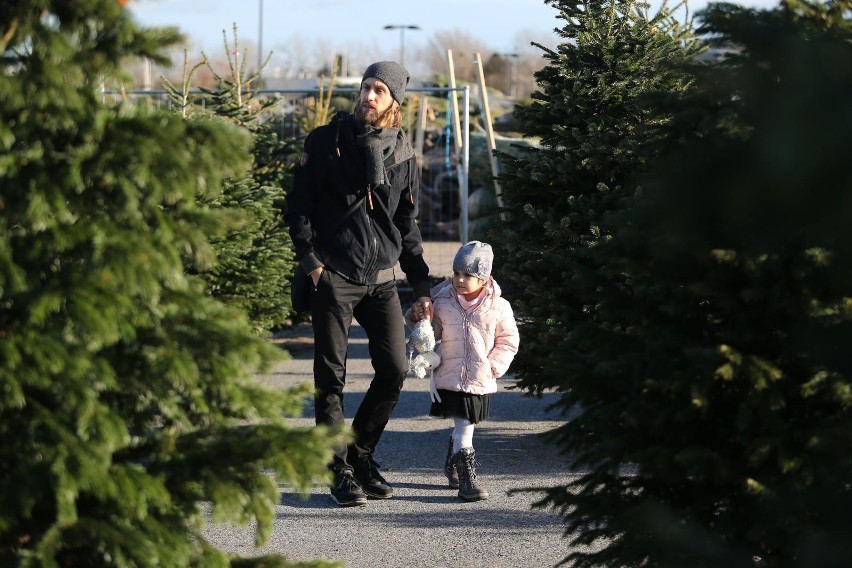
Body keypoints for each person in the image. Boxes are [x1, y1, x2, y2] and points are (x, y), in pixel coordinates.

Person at [284, 61, 434, 507]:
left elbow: (406, 224)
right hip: (335, 276)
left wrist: (422, 284)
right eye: (366, 87)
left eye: (380, 91)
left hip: (382, 281)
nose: (369, 96)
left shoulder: (403, 153)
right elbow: (298, 209)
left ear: (394, 102)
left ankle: (360, 455)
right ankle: (337, 469)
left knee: (394, 370)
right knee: (331, 376)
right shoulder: (327, 142)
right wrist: (313, 265)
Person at [406, 241, 519, 501]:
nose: (459, 279)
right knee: (464, 425)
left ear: (483, 278)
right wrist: (417, 319)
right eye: (456, 273)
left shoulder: (499, 307)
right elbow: (429, 333)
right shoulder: (443, 300)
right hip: (450, 374)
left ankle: (455, 461)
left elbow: (508, 340)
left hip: (480, 376)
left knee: (466, 424)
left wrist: (494, 365)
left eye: (467, 275)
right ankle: (466, 476)